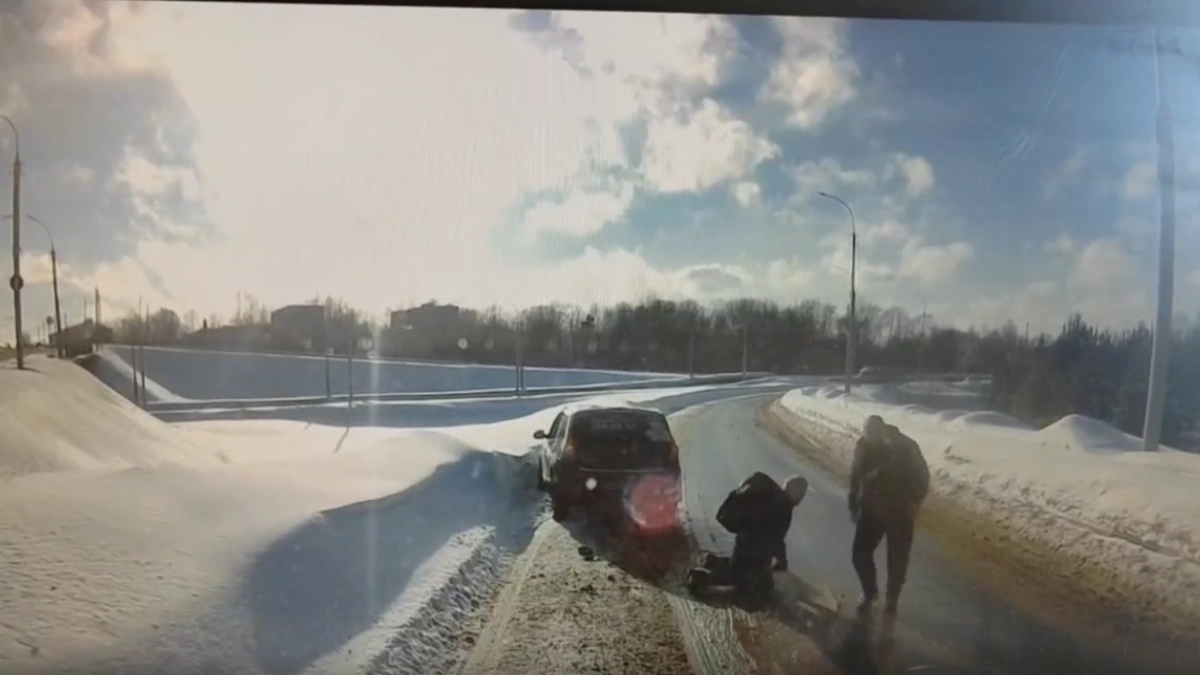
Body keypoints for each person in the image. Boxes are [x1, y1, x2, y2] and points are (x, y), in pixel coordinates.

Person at [848, 414, 930, 618]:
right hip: (871, 509)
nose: (871, 440)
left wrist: (914, 501)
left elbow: (922, 476)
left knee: (897, 558)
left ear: (883, 431)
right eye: (868, 436)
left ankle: (892, 598)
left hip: (899, 512)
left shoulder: (906, 447)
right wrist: (853, 501)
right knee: (859, 554)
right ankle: (870, 593)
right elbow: (855, 474)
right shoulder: (863, 446)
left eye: (875, 436)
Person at [688, 472, 809, 606]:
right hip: (754, 550)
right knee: (742, 581)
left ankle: (712, 561)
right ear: (796, 493)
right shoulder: (783, 507)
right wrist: (782, 560)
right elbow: (777, 539)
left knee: (754, 578)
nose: (801, 498)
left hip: (746, 542)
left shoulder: (773, 496)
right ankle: (700, 577)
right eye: (802, 494)